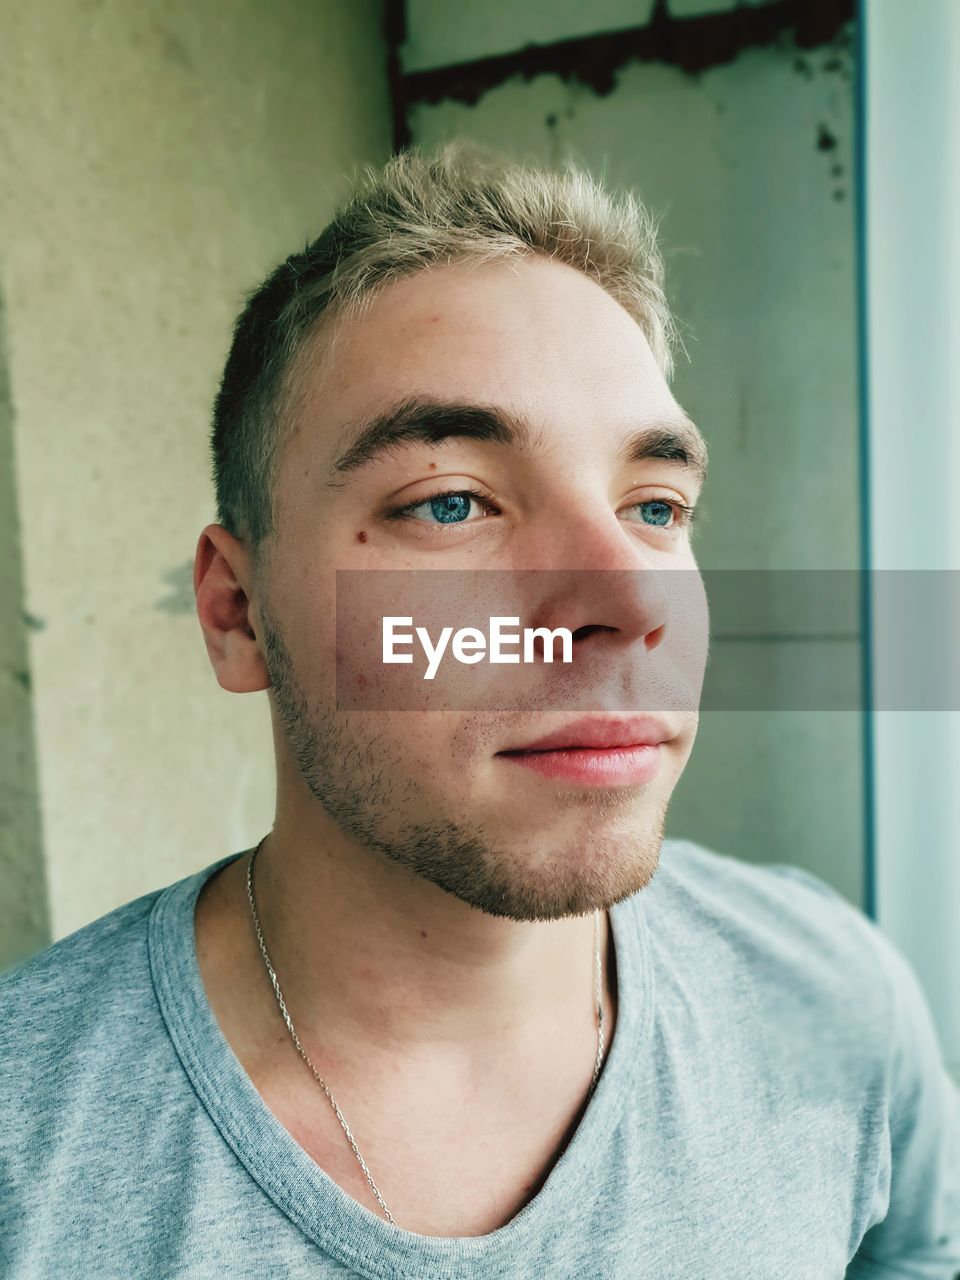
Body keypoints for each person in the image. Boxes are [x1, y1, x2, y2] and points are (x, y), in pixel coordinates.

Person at [1, 139, 958, 1279]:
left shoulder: (831, 996)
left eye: (655, 505)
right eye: (450, 502)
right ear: (240, 613)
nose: (628, 603)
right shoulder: (32, 1152)